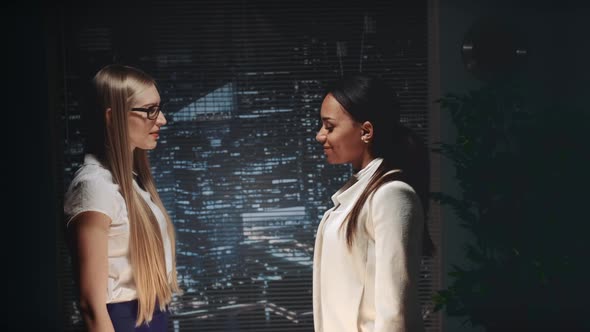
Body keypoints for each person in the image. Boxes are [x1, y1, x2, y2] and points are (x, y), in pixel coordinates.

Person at [312, 74, 435, 332]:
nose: (319, 136)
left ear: (366, 131)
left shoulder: (391, 195)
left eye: (329, 127)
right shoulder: (357, 195)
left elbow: (395, 313)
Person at [64, 64, 180, 331]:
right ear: (112, 116)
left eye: (159, 108)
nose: (161, 119)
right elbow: (91, 306)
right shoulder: (95, 186)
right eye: (150, 110)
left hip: (153, 319)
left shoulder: (132, 182)